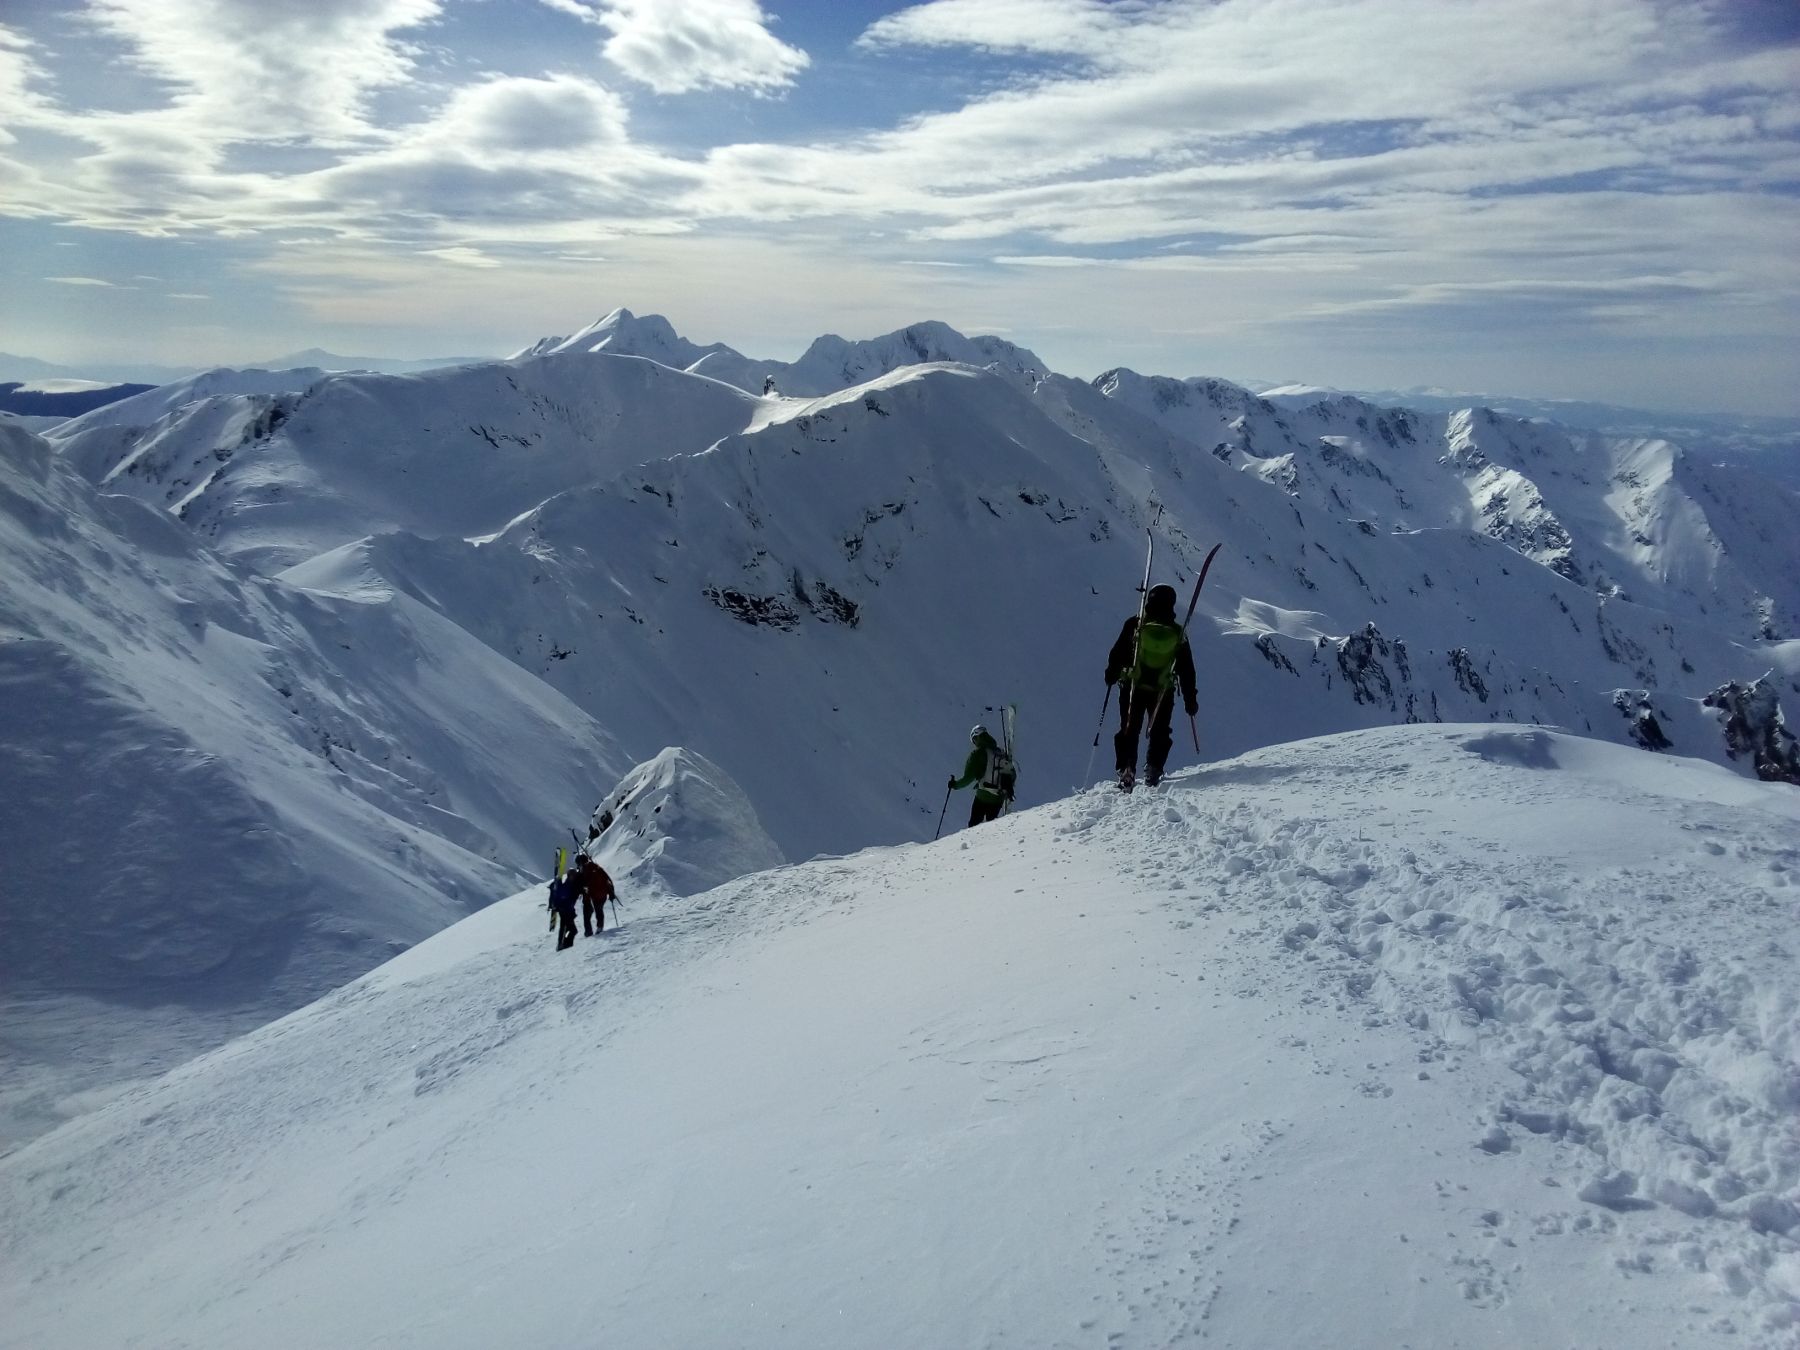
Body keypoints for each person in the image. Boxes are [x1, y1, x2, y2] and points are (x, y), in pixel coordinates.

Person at [1105, 582, 1197, 792]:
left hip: (1132, 685)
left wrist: (1111, 674)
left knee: (1129, 728)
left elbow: (1118, 652)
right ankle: (1153, 769)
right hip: (1162, 690)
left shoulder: (1135, 624)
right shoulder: (1177, 632)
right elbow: (1187, 669)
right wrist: (1190, 699)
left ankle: (1126, 769)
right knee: (1160, 731)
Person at [947, 724, 1015, 828]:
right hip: (998, 798)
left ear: (976, 737)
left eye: (974, 740)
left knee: (973, 826)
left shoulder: (978, 753)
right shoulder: (1000, 753)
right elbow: (1012, 774)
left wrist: (955, 785)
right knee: (991, 828)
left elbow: (968, 778)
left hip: (983, 796)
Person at [576, 854, 616, 936]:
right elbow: (607, 879)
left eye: (578, 864)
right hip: (599, 894)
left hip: (596, 894)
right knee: (597, 909)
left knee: (597, 909)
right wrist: (611, 892)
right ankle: (597, 928)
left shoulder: (587, 870)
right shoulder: (596, 868)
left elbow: (584, 884)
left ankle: (597, 928)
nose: (578, 866)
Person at [547, 866, 580, 951]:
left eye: (574, 876)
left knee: (567, 928)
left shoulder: (571, 885)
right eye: (572, 875)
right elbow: (563, 896)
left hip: (567, 911)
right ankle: (563, 945)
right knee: (571, 930)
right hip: (565, 911)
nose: (574, 877)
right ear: (569, 876)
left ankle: (563, 944)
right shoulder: (567, 885)